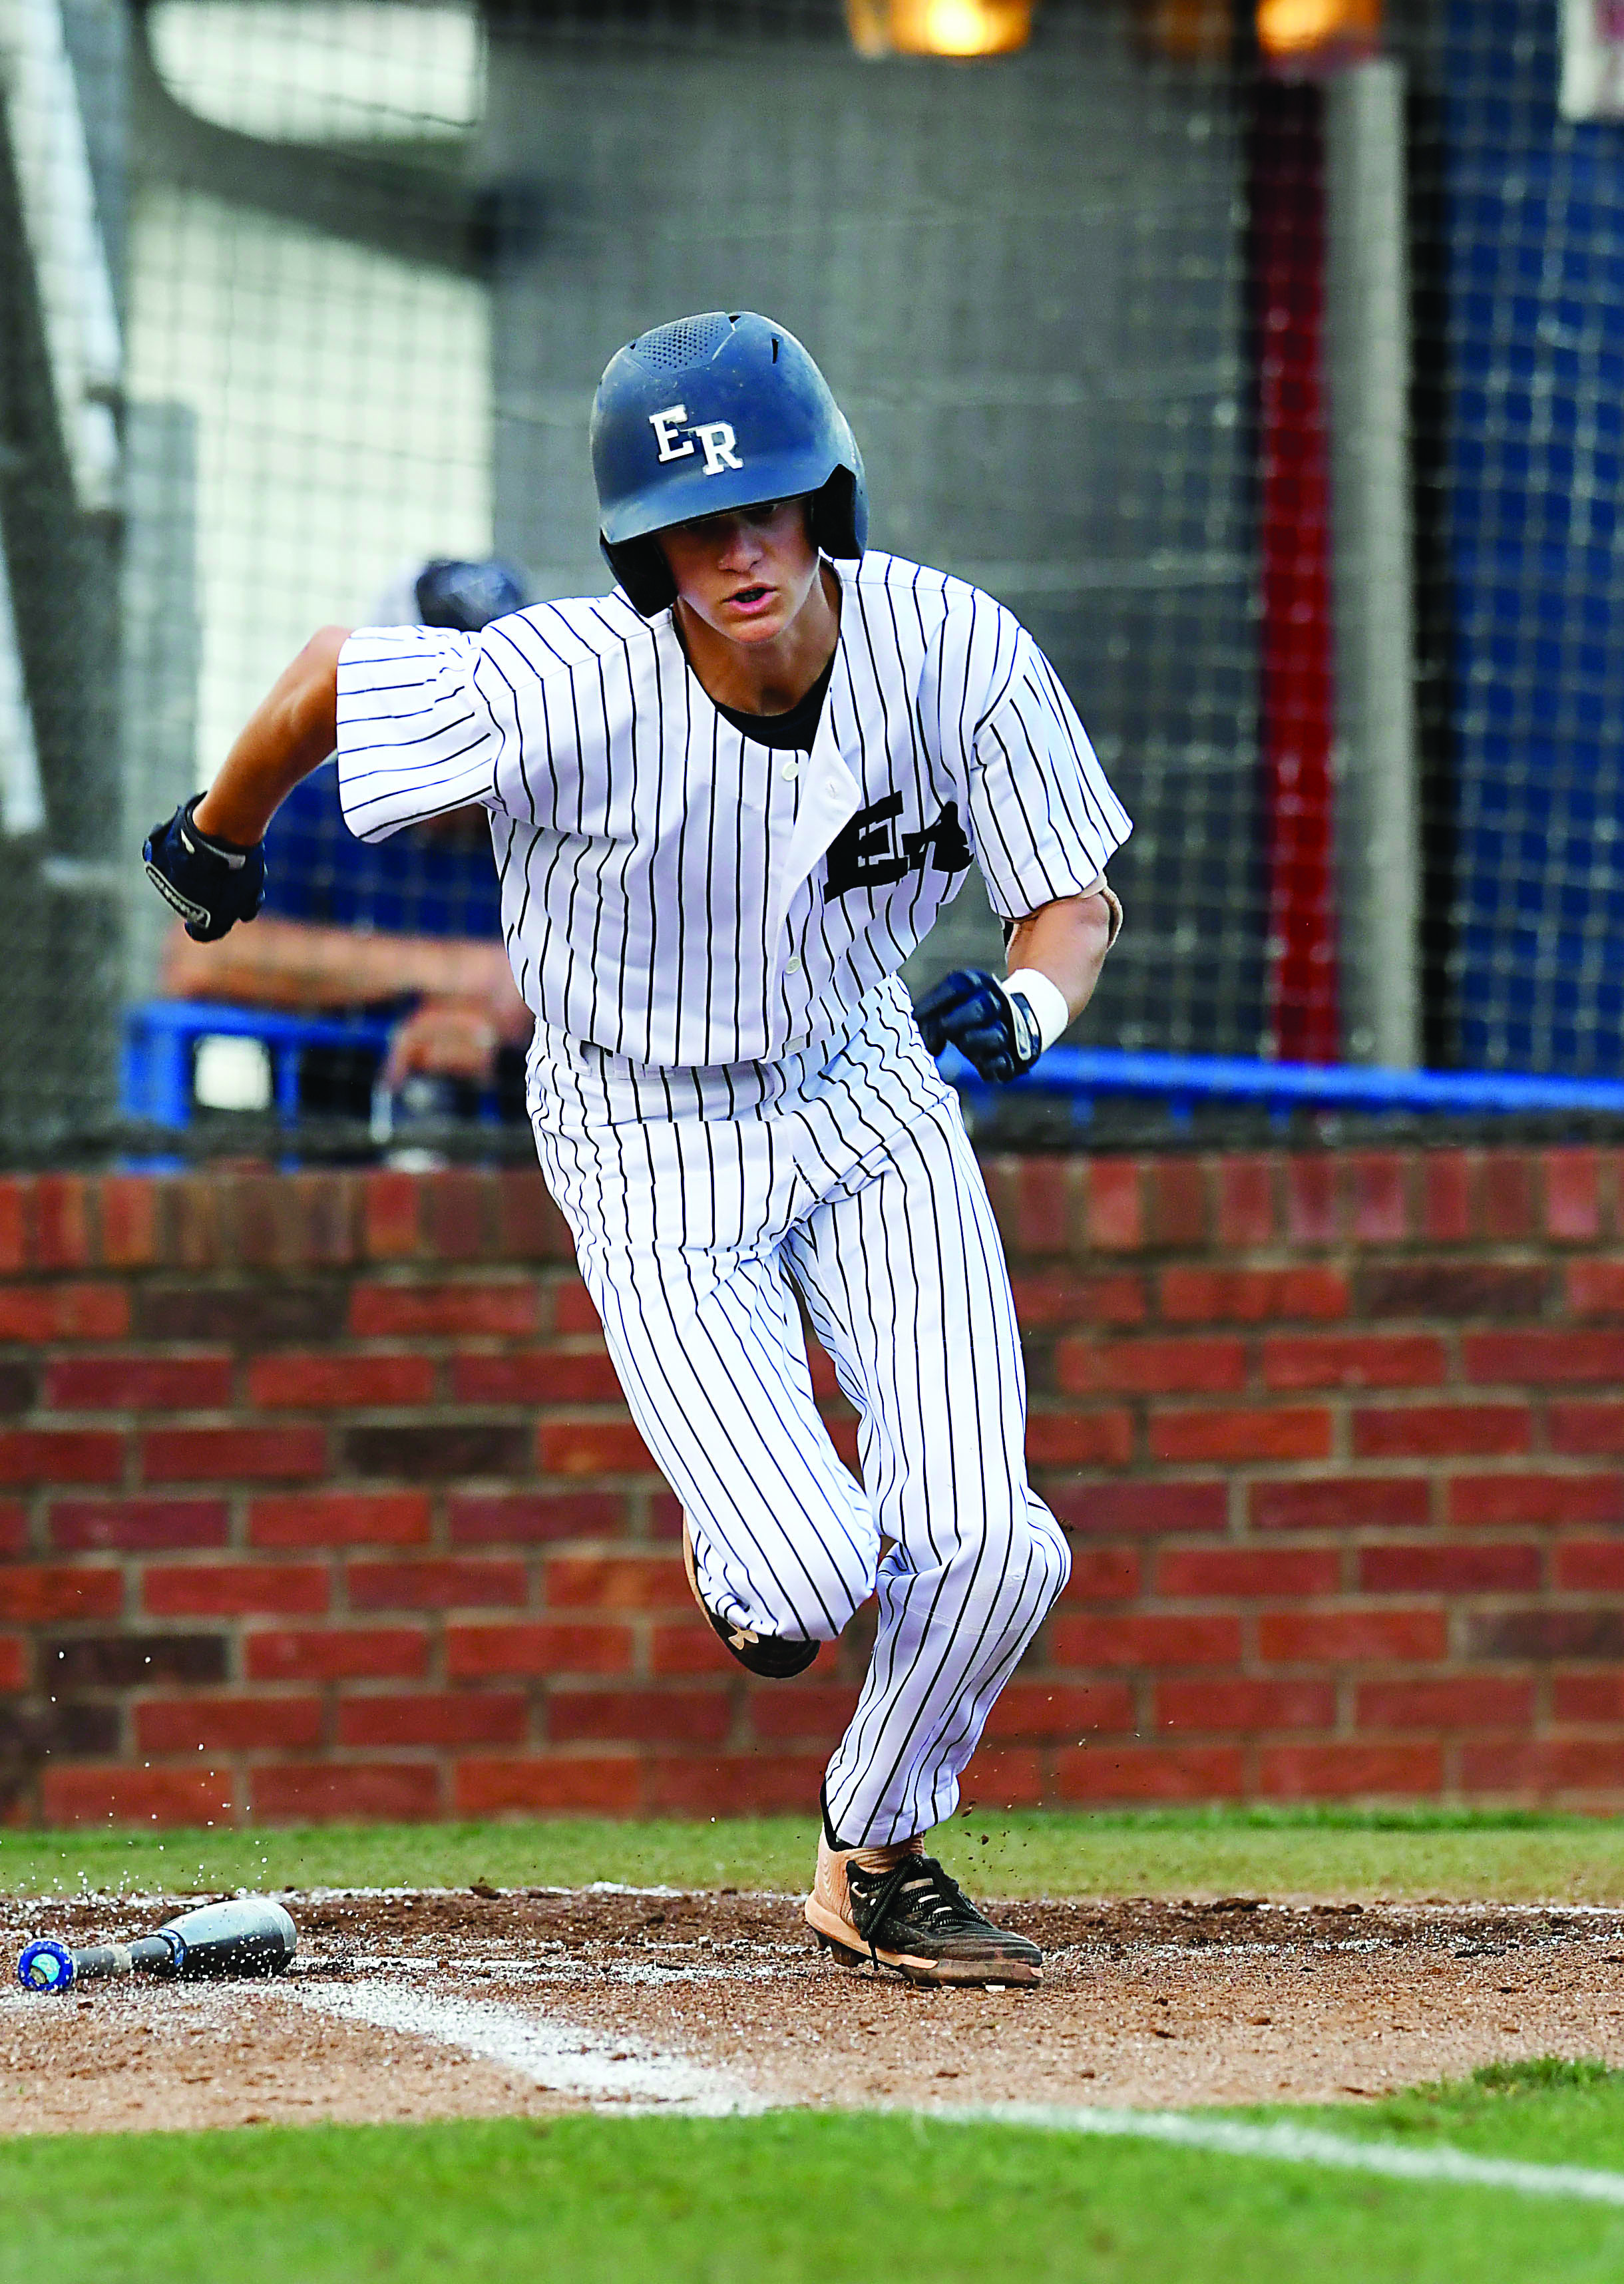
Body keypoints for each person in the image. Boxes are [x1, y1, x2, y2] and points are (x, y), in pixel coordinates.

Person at [142, 311, 1129, 1990]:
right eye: (692, 523)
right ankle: (748, 1537)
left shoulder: (951, 648)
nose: (735, 549)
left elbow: (1070, 896)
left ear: (826, 499)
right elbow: (325, 677)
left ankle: (872, 1850)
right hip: (641, 1125)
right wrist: (215, 836)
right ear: (638, 546)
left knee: (991, 1543)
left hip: (864, 1085)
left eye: (763, 506)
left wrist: (1027, 1009)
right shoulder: (565, 680)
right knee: (808, 1569)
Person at [159, 558, 534, 1110]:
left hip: (546, 1163)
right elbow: (196, 960)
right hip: (332, 1154)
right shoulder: (319, 808)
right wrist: (458, 975)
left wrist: (513, 1000)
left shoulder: (557, 811)